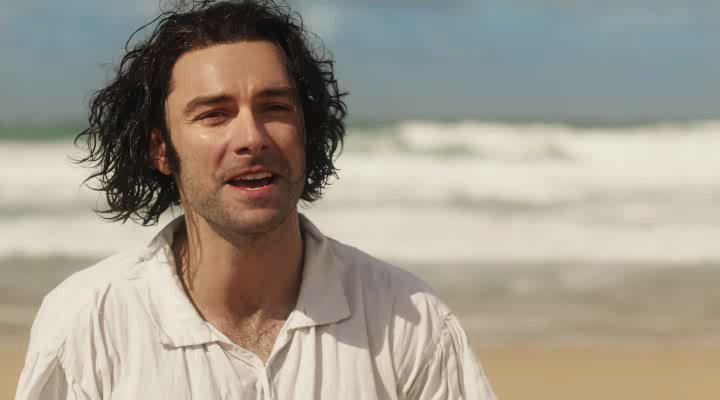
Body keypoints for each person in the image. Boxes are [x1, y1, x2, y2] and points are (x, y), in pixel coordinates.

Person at [16, 1, 496, 399]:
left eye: (275, 108)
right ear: (160, 149)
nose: (251, 137)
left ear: (306, 130)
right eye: (215, 114)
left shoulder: (407, 321)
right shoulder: (88, 325)